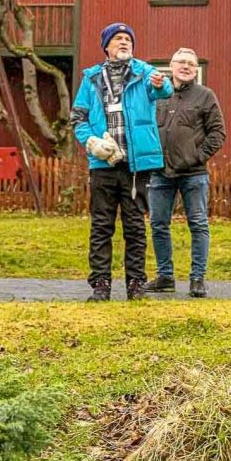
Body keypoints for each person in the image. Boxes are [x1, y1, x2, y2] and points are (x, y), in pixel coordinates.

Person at [71, 22, 172, 301]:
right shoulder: (91, 78)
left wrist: (161, 83)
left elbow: (164, 91)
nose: (124, 42)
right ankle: (101, 285)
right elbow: (78, 118)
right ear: (106, 46)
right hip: (103, 165)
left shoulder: (144, 72)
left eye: (128, 39)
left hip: (135, 166)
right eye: (118, 38)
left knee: (135, 226)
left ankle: (136, 286)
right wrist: (92, 143)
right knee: (101, 226)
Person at [145, 47, 225, 298]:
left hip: (194, 174)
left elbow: (218, 133)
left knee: (198, 224)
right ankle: (165, 276)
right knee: (158, 224)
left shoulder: (205, 96)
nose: (186, 66)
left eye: (191, 63)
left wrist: (196, 157)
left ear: (196, 69)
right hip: (160, 172)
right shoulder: (158, 95)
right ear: (171, 65)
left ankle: (197, 278)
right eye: (181, 62)